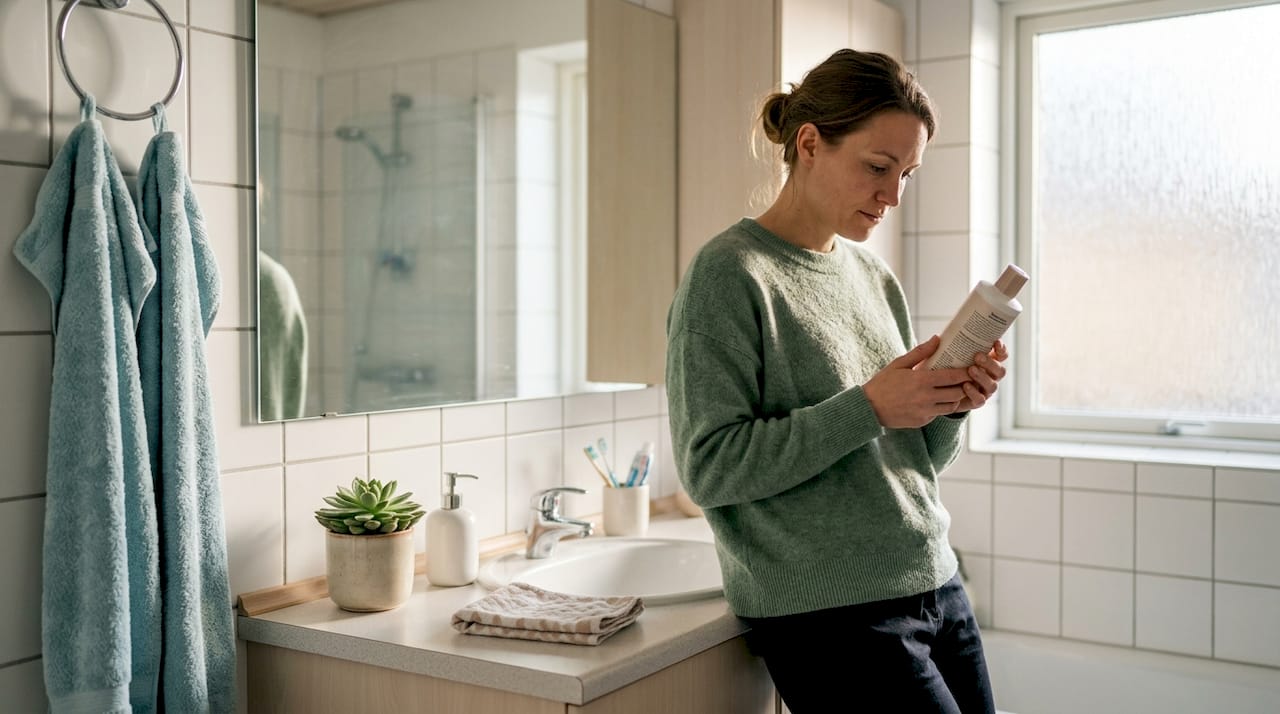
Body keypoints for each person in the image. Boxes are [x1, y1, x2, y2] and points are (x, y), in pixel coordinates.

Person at [665, 48, 1007, 713]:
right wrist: (871, 408)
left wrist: (948, 407)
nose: (893, 195)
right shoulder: (729, 276)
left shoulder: (873, 277)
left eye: (907, 173)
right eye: (878, 167)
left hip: (936, 582)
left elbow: (914, 460)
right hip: (832, 617)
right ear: (811, 143)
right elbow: (708, 469)